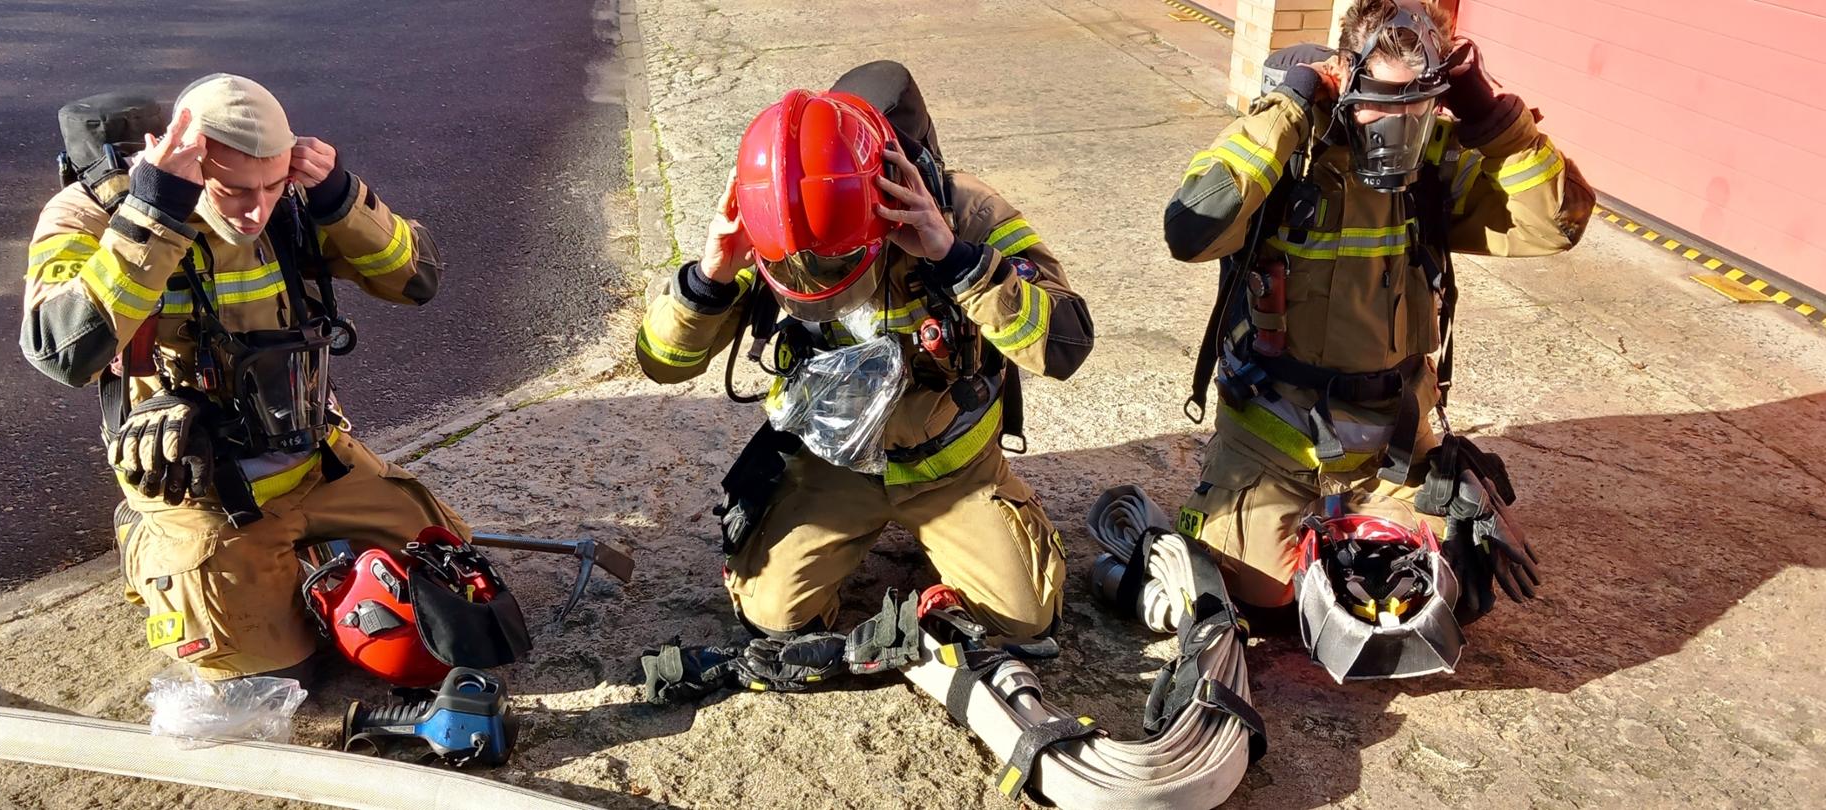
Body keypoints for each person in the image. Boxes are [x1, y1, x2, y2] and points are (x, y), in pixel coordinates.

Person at [634, 62, 1094, 686]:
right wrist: (708, 281)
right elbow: (663, 362)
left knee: (1024, 622)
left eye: (838, 259)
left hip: (948, 468)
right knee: (772, 618)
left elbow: (1065, 345)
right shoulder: (778, 225)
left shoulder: (970, 214)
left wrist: (956, 260)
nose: (814, 282)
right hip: (833, 462)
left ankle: (995, 529)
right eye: (795, 270)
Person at [21, 74, 467, 681]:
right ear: (190, 162)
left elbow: (416, 280)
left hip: (313, 456)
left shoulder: (293, 203)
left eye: (272, 183)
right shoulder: (93, 215)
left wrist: (337, 195)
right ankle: (147, 542)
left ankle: (299, 554)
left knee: (457, 598)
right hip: (199, 484)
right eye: (232, 190)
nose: (257, 210)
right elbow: (60, 350)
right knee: (279, 684)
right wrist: (156, 215)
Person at [1164, 0, 1592, 625]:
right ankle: (1237, 504)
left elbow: (1557, 223)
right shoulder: (1290, 159)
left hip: (1392, 439)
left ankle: (1435, 485)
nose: (1397, 126)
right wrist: (1287, 107)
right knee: (1261, 600)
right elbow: (1191, 230)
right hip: (1276, 430)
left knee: (1439, 594)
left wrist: (1490, 116)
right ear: (1344, 74)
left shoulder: (1435, 167)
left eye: (1417, 103)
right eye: (1380, 102)